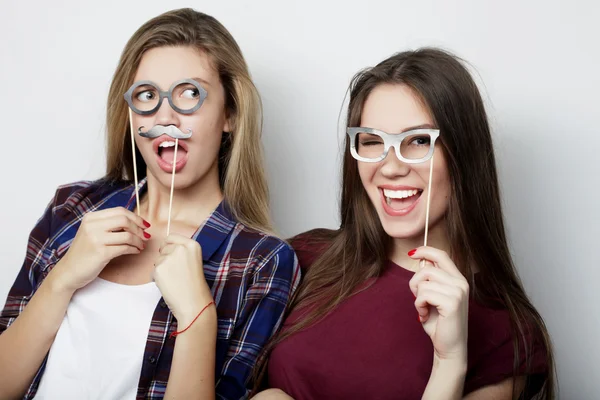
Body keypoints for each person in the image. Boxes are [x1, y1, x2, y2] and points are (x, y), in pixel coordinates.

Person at [0, 8, 299, 400]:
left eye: (190, 93)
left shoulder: (262, 261)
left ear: (229, 114)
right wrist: (63, 278)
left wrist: (197, 315)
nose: (165, 116)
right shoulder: (71, 207)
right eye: (147, 95)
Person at [255, 48, 553, 399]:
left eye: (418, 141)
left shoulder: (509, 335)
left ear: (464, 153)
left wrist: (450, 361)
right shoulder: (303, 257)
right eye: (371, 141)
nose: (391, 166)